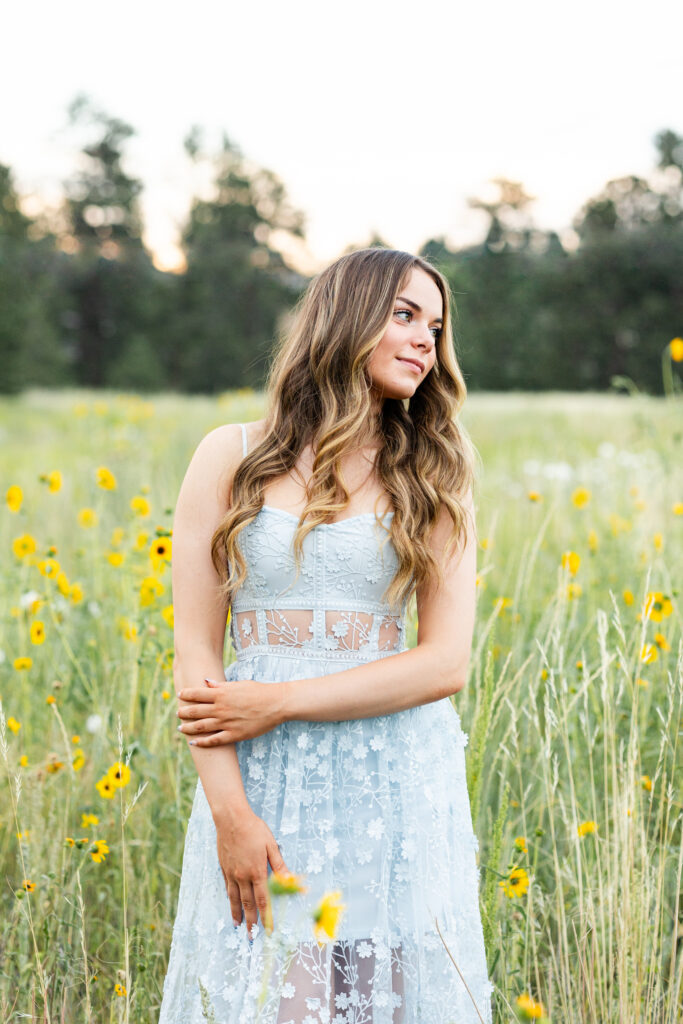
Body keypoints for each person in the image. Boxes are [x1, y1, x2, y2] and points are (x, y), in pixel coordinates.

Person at [158, 248, 493, 1023]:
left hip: (397, 783)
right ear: (345, 318)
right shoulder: (231, 456)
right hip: (269, 789)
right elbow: (197, 656)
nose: (426, 342)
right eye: (404, 315)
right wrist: (230, 816)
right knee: (288, 995)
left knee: (389, 996)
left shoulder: (435, 472)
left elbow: (445, 664)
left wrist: (279, 700)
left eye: (436, 327)